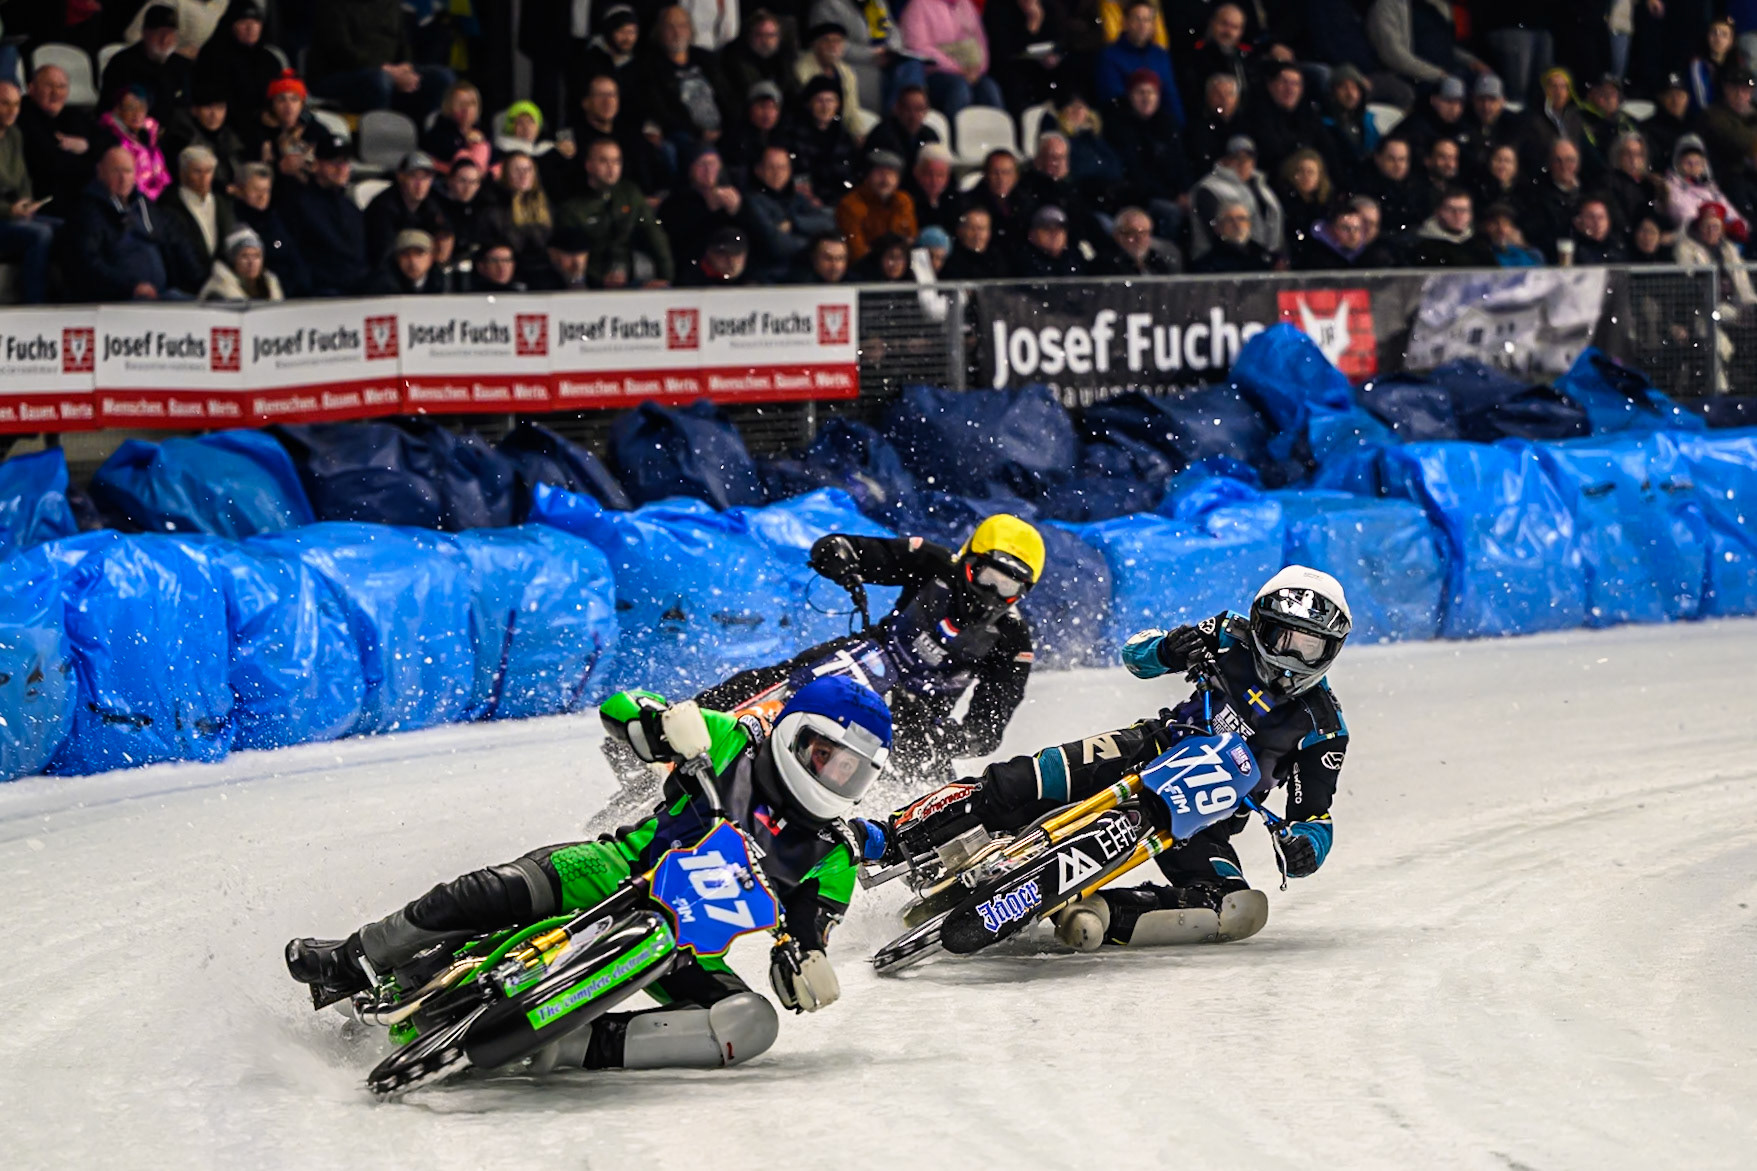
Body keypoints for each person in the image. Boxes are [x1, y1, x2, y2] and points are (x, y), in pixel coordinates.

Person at [288, 677, 894, 1073]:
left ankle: (562, 1045)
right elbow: (620, 709)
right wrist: (658, 726)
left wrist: (806, 963)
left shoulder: (833, 851)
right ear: (795, 733)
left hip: (689, 944)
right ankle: (350, 957)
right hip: (613, 871)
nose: (836, 780)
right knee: (490, 890)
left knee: (751, 1023)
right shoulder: (731, 740)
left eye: (854, 774)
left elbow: (808, 932)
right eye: (828, 758)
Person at [855, 565, 1353, 950]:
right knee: (1028, 778)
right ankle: (888, 835)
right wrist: (1169, 648)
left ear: (1332, 651)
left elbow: (1316, 817)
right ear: (1260, 624)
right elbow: (1137, 655)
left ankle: (1099, 909)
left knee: (1237, 909)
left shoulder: (1324, 727)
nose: (1291, 658)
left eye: (1310, 648)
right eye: (1282, 637)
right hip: (1150, 747)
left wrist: (1306, 846)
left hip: (1209, 817)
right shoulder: (1227, 633)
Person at [698, 517, 1041, 781]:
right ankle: (691, 722)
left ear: (1023, 591)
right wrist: (838, 554)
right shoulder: (932, 562)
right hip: (872, 656)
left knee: (940, 794)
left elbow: (987, 728)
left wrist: (947, 738)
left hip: (919, 720)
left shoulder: (1013, 641)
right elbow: (856, 550)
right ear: (967, 560)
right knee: (787, 676)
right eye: (987, 577)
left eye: (1007, 586)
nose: (992, 594)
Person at [305, 0, 454, 119]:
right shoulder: (332, 5)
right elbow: (341, 51)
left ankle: (432, 141)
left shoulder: (390, 4)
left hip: (387, 73)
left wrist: (406, 67)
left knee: (442, 77)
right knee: (379, 80)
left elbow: (403, 42)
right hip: (339, 74)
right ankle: (379, 141)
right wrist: (387, 71)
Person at [69, 146, 180, 301]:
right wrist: (131, 287)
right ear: (100, 171)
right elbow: (87, 263)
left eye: (128, 171)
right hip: (121, 300)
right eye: (116, 171)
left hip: (163, 294)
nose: (123, 178)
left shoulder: (144, 205)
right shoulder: (89, 212)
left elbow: (171, 242)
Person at [559, 138, 674, 287]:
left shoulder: (630, 193)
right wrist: (600, 279)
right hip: (588, 284)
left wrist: (667, 278)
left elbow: (654, 234)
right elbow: (570, 257)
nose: (611, 168)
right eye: (604, 161)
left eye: (616, 161)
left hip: (629, 277)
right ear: (589, 165)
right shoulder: (573, 205)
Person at [1676, 202, 1757, 391]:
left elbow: (1742, 282)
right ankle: (1722, 393)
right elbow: (1689, 285)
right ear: (1699, 227)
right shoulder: (1687, 248)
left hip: (1733, 305)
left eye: (1716, 226)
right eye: (1707, 226)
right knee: (1719, 345)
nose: (1712, 231)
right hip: (1705, 310)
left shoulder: (1729, 248)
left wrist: (1751, 304)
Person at [279, 134, 370, 296]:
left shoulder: (351, 207)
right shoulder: (299, 204)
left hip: (357, 287)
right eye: (334, 162)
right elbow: (284, 247)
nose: (341, 168)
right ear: (316, 165)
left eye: (345, 162)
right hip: (321, 291)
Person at [1105, 69, 1189, 240]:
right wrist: (1171, 196)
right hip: (1139, 198)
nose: (1146, 98)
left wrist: (1184, 191)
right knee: (1171, 213)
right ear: (1130, 95)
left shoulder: (1167, 123)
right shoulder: (1119, 126)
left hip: (1170, 193)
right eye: (1140, 92)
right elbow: (1134, 171)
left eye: (1151, 92)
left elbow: (1181, 161)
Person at [899, 0, 1006, 119]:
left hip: (970, 73)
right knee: (959, 88)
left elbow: (981, 40)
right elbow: (917, 47)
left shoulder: (965, 4)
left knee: (989, 88)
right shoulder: (918, 5)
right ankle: (954, 136)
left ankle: (995, 135)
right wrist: (957, 69)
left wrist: (979, 69)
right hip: (933, 74)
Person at [746, 146, 838, 282]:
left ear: (789, 171)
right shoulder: (752, 202)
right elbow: (777, 245)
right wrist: (814, 244)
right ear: (759, 170)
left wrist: (794, 223)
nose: (777, 173)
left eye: (782, 168)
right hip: (768, 277)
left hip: (803, 276)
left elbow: (828, 223)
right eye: (771, 168)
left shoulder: (798, 199)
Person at [0, 81, 54, 304]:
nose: (12, 111)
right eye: (4, 104)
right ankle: (35, 306)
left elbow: (23, 178)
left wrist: (27, 202)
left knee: (67, 227)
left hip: (14, 214)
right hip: (2, 216)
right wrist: (8, 209)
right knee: (39, 234)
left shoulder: (14, 134)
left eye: (16, 104)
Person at [155, 143, 234, 294]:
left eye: (209, 171)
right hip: (185, 290)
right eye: (197, 171)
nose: (204, 178)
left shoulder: (223, 203)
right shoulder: (168, 205)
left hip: (223, 288)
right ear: (182, 173)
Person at [1190, 135, 1282, 261]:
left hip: (1260, 260)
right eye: (1237, 158)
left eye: (1249, 158)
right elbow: (1214, 232)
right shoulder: (1209, 188)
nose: (1243, 163)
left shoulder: (1262, 187)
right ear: (1224, 160)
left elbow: (1276, 222)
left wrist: (1275, 257)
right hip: (1219, 262)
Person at [192, 2, 280, 134]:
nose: (250, 28)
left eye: (256, 22)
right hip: (228, 128)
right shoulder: (214, 56)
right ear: (231, 25)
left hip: (269, 126)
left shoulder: (270, 60)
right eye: (243, 22)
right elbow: (218, 103)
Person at [19, 66, 99, 211]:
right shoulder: (22, 116)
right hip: (44, 200)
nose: (56, 93)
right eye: (49, 86)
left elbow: (107, 142)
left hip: (75, 194)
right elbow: (51, 162)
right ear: (31, 88)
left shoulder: (72, 114)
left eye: (61, 86)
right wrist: (96, 166)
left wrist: (86, 145)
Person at [1365, 0, 1490, 90]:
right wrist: (1438, 75)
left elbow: (1448, 47)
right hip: (1416, 79)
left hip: (1449, 76)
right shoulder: (1387, 6)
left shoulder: (1441, 6)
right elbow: (1393, 55)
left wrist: (1472, 62)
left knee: (1490, 85)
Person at [659, 147, 748, 270]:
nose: (708, 170)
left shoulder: (733, 194)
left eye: (713, 163)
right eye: (702, 164)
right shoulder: (674, 203)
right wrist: (711, 211)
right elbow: (681, 242)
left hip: (734, 268)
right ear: (690, 168)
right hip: (693, 268)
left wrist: (737, 211)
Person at [230, 161, 309, 296]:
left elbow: (290, 251)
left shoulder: (274, 218)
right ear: (241, 190)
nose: (262, 196)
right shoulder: (234, 220)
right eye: (256, 190)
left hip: (293, 292)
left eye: (266, 190)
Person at [1097, 0, 1182, 118]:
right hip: (1125, 123)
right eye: (1137, 19)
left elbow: (1171, 96)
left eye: (1147, 20)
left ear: (1153, 25)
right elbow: (1113, 98)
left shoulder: (1161, 56)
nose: (1142, 25)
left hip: (1160, 124)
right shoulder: (1110, 56)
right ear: (1125, 23)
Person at [101, 5, 193, 113]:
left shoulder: (182, 65)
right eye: (159, 33)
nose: (165, 39)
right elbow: (109, 108)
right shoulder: (122, 63)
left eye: (170, 33)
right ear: (145, 33)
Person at [364, 151, 448, 265]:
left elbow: (442, 235)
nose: (420, 185)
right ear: (400, 177)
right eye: (414, 177)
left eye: (425, 178)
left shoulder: (432, 204)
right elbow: (382, 255)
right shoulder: (382, 208)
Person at [787, 76, 860, 206]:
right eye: (819, 100)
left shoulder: (844, 137)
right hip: (808, 202)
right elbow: (799, 175)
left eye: (830, 100)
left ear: (838, 105)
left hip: (840, 201)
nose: (825, 107)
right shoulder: (795, 135)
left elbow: (851, 175)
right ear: (809, 104)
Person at [161, 78, 245, 190]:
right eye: (208, 107)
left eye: (220, 108)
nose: (214, 115)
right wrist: (224, 189)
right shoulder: (181, 137)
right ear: (194, 110)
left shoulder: (230, 137)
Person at [1665, 134, 1749, 242]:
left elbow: (1728, 208)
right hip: (1692, 239)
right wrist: (1712, 223)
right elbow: (1684, 214)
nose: (1693, 166)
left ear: (1704, 164)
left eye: (1697, 162)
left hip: (1719, 236)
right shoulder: (1671, 187)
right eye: (1688, 163)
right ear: (1678, 163)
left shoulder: (1710, 188)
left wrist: (1738, 224)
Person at [837, 150, 917, 259]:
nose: (886, 180)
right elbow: (856, 250)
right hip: (865, 269)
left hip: (899, 265)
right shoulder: (850, 204)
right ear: (867, 176)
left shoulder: (903, 200)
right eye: (880, 173)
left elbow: (910, 237)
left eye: (891, 174)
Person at [97, 87, 173, 202]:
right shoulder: (111, 138)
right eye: (130, 108)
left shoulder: (150, 134)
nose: (137, 113)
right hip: (132, 200)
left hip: (158, 198)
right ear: (118, 110)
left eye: (141, 107)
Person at [721, 9, 798, 108]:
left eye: (771, 35)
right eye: (760, 35)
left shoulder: (785, 60)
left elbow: (792, 91)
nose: (766, 41)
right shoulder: (735, 60)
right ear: (750, 36)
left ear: (778, 38)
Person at [863, 86, 941, 177]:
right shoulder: (883, 135)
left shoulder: (930, 135)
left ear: (926, 111)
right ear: (897, 109)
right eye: (908, 109)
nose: (913, 116)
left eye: (919, 109)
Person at [1295, 204, 1398, 270]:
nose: (1352, 234)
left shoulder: (1373, 256)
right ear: (1332, 230)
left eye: (1357, 228)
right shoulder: (1317, 258)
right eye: (1345, 228)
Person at [421, 81, 493, 176]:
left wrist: (481, 141)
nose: (466, 109)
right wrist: (465, 142)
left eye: (472, 104)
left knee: (483, 147)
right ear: (448, 106)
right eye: (461, 104)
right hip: (446, 179)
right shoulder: (439, 130)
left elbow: (494, 158)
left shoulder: (484, 130)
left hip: (478, 180)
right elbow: (443, 153)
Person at [1411, 187, 1495, 266]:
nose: (1458, 215)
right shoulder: (1422, 248)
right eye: (1450, 209)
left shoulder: (1479, 245)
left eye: (1463, 210)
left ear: (1471, 215)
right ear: (1438, 212)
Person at [198, 225, 283, 300]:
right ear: (233, 260)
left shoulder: (271, 284)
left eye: (256, 256)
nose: (251, 262)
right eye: (245, 256)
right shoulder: (218, 290)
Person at [1274, 148, 1332, 254]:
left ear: (1319, 176)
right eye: (1300, 171)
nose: (1306, 177)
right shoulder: (1283, 203)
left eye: (1310, 172)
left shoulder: (1329, 206)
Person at [1191, 200, 1277, 272]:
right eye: (1229, 220)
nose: (1237, 224)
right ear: (1218, 227)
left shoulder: (1264, 256)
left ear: (1249, 224)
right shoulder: (1206, 265)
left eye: (1241, 219)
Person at [1099, 204, 1181, 274]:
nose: (1140, 239)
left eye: (1144, 233)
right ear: (1117, 236)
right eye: (1132, 232)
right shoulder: (1107, 265)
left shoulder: (1155, 259)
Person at [1013, 203, 1084, 276]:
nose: (1054, 234)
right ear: (1032, 234)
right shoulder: (1023, 263)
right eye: (1046, 228)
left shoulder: (1076, 258)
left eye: (1059, 228)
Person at [939, 205, 1009, 278]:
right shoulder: (950, 261)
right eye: (972, 228)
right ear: (960, 231)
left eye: (981, 228)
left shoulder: (998, 259)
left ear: (989, 233)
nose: (977, 234)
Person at [906, 144, 962, 233]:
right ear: (916, 172)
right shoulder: (906, 201)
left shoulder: (956, 201)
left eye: (940, 175)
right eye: (928, 174)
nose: (934, 181)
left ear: (948, 177)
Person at [1480, 201, 1545, 266]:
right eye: (1495, 223)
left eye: (1506, 223)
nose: (1501, 229)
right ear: (1484, 226)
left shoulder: (1532, 254)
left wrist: (1523, 246)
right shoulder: (1480, 254)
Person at [1568, 196, 1628, 264]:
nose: (1597, 222)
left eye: (1601, 217)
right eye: (1590, 217)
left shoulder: (1622, 246)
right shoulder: (1570, 248)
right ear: (1578, 220)